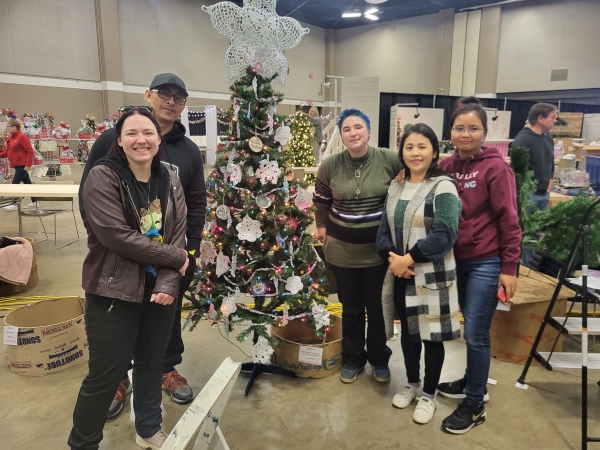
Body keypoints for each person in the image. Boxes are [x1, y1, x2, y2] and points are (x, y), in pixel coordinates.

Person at [79, 73, 206, 416]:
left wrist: (187, 253)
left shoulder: (188, 151)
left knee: (166, 320)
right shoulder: (111, 139)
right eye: (164, 94)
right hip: (118, 262)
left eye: (178, 97)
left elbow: (194, 206)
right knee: (115, 331)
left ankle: (165, 369)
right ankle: (119, 377)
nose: (170, 101)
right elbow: (88, 196)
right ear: (149, 96)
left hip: (169, 261)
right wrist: (103, 240)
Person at [68, 108, 189, 450]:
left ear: (158, 139)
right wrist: (177, 259)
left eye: (148, 132)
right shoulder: (103, 176)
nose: (141, 140)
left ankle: (148, 430)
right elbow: (116, 236)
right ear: (119, 140)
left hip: (158, 295)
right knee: (106, 375)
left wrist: (168, 282)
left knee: (152, 365)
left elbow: (177, 232)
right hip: (113, 292)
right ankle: (83, 443)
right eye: (132, 133)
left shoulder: (170, 178)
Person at [436, 97, 521, 434]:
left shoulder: (496, 167)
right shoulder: (446, 167)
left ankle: (474, 404)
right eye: (460, 128)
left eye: (473, 128)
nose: (466, 134)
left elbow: (510, 220)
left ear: (485, 131)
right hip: (455, 261)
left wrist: (509, 268)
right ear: (451, 132)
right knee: (466, 328)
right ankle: (475, 382)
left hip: (486, 261)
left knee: (475, 332)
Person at [377, 123, 461, 425]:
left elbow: (446, 234)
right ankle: (412, 383)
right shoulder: (397, 185)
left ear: (434, 151)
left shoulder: (444, 187)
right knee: (410, 334)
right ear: (402, 152)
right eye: (409, 147)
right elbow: (384, 229)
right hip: (401, 274)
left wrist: (408, 259)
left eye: (422, 146)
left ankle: (429, 394)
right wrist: (393, 260)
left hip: (431, 277)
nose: (415, 153)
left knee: (432, 337)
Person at [313, 108, 402, 384]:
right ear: (341, 136)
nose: (353, 133)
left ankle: (379, 359)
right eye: (347, 129)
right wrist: (322, 228)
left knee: (377, 308)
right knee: (350, 309)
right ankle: (353, 358)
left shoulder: (389, 159)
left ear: (369, 131)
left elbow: (412, 179)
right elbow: (321, 200)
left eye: (358, 127)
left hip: (379, 253)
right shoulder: (330, 165)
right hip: (342, 252)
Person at [511, 103, 557, 267]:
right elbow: (516, 171)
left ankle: (528, 266)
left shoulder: (548, 139)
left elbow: (551, 163)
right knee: (523, 233)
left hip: (544, 193)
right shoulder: (522, 139)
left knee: (537, 233)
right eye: (552, 117)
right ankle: (519, 268)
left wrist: (549, 183)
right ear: (540, 118)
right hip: (528, 195)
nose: (555, 121)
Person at [0, 118, 37, 208]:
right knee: (28, 184)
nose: (7, 128)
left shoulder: (22, 137)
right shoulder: (10, 138)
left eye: (8, 126)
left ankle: (14, 203)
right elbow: (7, 152)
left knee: (15, 183)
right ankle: (35, 202)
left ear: (14, 127)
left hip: (23, 165)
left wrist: (28, 164)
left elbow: (30, 151)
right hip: (16, 164)